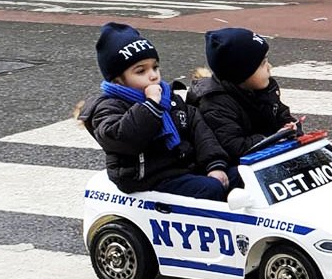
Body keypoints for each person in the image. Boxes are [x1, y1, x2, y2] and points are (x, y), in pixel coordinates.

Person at [78, 23, 235, 200]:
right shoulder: (108, 107)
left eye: (155, 67)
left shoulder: (168, 96)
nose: (153, 75)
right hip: (147, 176)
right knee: (210, 189)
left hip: (181, 166)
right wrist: (151, 105)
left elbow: (199, 131)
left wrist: (215, 165)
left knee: (238, 175)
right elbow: (125, 139)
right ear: (117, 80)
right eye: (141, 71)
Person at [191, 28, 298, 163]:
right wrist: (273, 138)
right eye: (262, 64)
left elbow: (282, 115)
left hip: (266, 153)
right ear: (242, 73)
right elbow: (235, 148)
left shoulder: (265, 89)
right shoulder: (215, 104)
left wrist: (291, 128)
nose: (269, 66)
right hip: (239, 165)